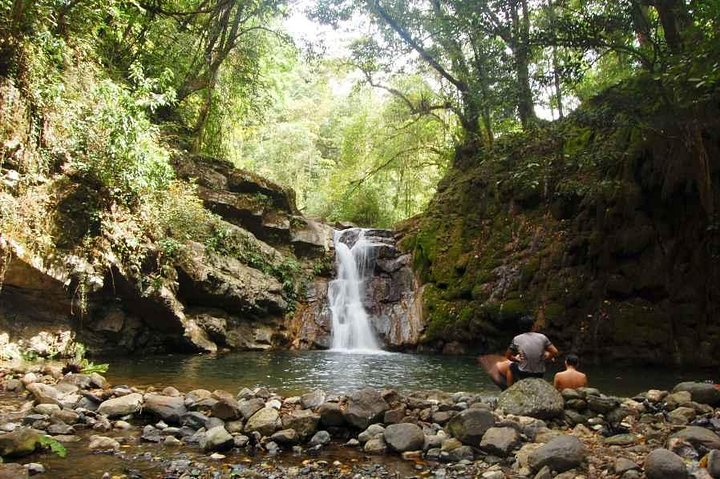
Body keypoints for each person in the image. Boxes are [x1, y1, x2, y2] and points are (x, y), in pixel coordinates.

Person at [505, 315, 558, 386]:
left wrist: (517, 360)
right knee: (546, 354)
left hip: (523, 373)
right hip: (539, 373)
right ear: (533, 326)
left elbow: (508, 356)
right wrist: (546, 359)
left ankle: (509, 389)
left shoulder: (517, 339)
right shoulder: (542, 337)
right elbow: (555, 352)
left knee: (511, 367)